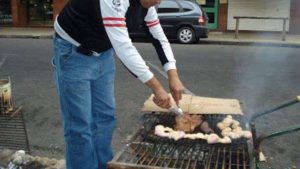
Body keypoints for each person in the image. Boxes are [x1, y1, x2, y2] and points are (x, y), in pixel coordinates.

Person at [52, 0, 184, 168]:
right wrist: (157, 88)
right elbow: (124, 48)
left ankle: (102, 165)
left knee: (105, 117)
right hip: (73, 52)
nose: (158, 2)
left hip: (103, 51)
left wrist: (173, 74)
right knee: (80, 126)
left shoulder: (148, 5)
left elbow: (157, 34)